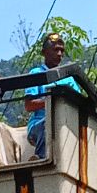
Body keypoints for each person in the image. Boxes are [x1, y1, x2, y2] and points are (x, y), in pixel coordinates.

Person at [23, 32, 79, 160]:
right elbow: (29, 105)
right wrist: (52, 100)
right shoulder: (36, 74)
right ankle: (41, 159)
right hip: (39, 125)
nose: (59, 54)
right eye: (55, 50)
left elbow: (79, 102)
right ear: (44, 52)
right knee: (47, 123)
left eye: (61, 50)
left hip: (65, 124)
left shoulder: (68, 78)